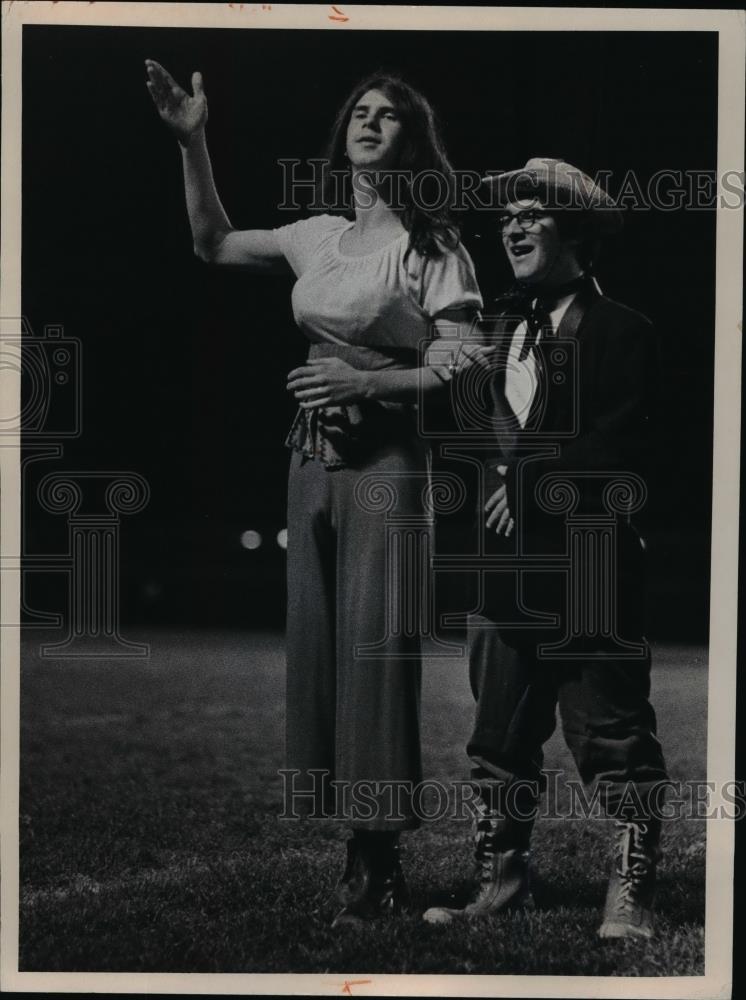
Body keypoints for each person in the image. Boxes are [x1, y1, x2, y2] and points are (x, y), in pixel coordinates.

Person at [145, 61, 483, 927]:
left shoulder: (432, 244)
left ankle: (379, 858)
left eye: (391, 117)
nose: (371, 124)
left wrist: (365, 385)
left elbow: (461, 364)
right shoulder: (318, 235)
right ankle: (354, 837)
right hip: (308, 464)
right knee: (321, 652)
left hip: (389, 473)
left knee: (377, 657)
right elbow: (212, 243)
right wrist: (193, 141)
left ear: (414, 141)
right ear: (346, 136)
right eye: (361, 114)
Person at [423, 158, 668, 939]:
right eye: (508, 218)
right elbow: (461, 429)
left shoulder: (628, 331)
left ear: (579, 230)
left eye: (534, 213)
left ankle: (629, 899)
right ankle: (499, 884)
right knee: (498, 741)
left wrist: (528, 486)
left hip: (590, 566)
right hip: (501, 575)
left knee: (613, 739)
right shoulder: (488, 324)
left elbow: (622, 449)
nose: (514, 227)